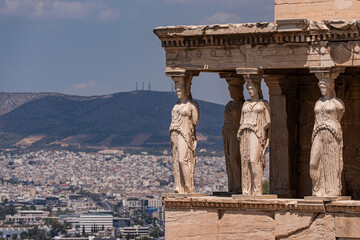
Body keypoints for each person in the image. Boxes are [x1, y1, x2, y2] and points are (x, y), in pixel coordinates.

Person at [310, 78, 345, 197]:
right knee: (313, 164)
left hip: (331, 133)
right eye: (320, 87)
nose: (322, 90)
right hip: (318, 133)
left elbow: (339, 118)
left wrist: (331, 127)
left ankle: (331, 190)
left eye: (324, 87)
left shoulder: (337, 103)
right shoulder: (318, 102)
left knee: (331, 162)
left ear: (330, 87)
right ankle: (318, 189)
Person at [237, 81, 270, 195]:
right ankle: (247, 190)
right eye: (248, 88)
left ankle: (257, 189)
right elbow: (241, 120)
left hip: (257, 133)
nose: (250, 90)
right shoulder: (245, 104)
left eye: (252, 88)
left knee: (253, 160)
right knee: (245, 161)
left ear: (258, 88)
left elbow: (268, 122)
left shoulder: (264, 104)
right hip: (244, 133)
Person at [169, 81, 199, 194]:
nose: (178, 93)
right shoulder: (176, 105)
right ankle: (179, 186)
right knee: (177, 160)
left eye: (180, 90)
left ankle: (188, 185)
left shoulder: (192, 105)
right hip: (175, 133)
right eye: (176, 90)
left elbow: (195, 121)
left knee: (182, 159)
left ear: (186, 90)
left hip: (185, 134)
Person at [222, 84, 243, 193]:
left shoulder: (242, 105)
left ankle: (240, 184)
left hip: (237, 134)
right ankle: (234, 184)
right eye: (230, 91)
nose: (232, 94)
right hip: (228, 133)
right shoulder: (229, 105)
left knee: (235, 158)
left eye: (234, 91)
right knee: (230, 158)